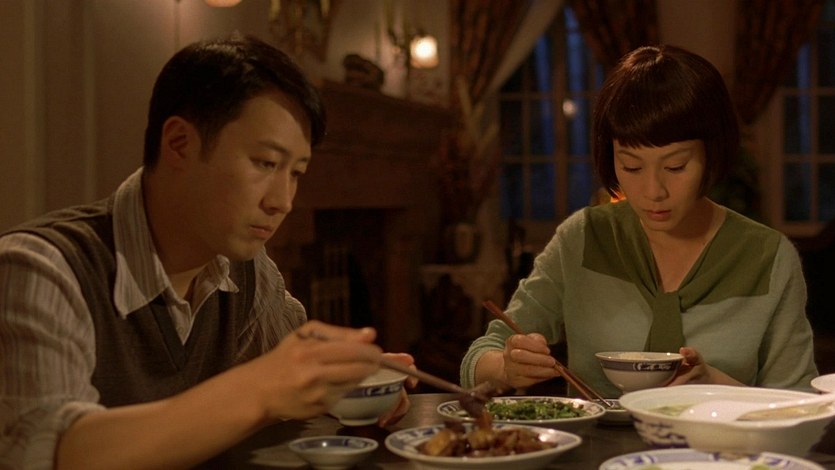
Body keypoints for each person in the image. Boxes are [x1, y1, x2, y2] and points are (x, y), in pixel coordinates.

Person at [0, 33, 416, 470]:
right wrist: (262, 388)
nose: (283, 201)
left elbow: (290, 381)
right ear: (180, 143)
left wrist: (347, 381)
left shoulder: (244, 270)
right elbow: (50, 452)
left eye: (296, 173)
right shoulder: (41, 269)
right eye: (265, 163)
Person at [460, 44, 818, 398]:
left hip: (718, 438)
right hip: (593, 439)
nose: (652, 191)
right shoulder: (584, 238)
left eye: (675, 166)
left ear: (713, 154)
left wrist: (717, 387)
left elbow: (800, 404)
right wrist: (507, 366)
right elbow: (478, 358)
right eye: (631, 166)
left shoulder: (767, 258)